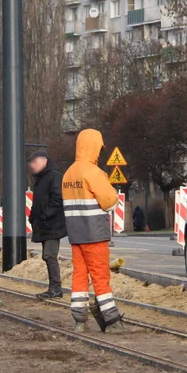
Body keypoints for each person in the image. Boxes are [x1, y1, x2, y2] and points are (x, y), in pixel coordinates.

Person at [62, 129, 123, 332]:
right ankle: (112, 320)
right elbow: (110, 201)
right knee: (100, 275)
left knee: (80, 274)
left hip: (76, 235)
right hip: (94, 234)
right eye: (99, 148)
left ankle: (79, 319)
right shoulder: (93, 172)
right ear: (93, 146)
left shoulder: (68, 173)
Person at [28, 149, 66, 299]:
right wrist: (33, 216)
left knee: (49, 255)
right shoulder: (40, 179)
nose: (32, 165)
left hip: (52, 224)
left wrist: (44, 216)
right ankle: (54, 288)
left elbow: (57, 200)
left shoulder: (54, 177)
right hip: (45, 224)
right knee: (47, 255)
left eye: (35, 162)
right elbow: (38, 201)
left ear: (44, 161)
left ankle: (56, 288)